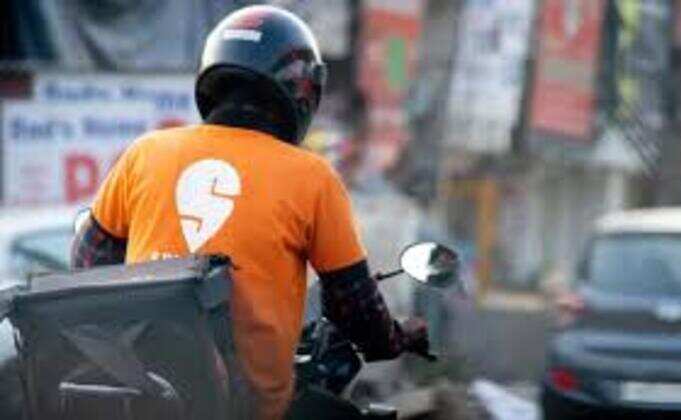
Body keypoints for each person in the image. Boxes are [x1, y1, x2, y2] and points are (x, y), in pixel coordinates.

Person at [70, 5, 428, 419]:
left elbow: (88, 263)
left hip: (141, 392)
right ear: (302, 92)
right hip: (250, 408)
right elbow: (356, 306)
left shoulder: (145, 153)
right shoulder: (312, 177)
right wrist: (396, 337)